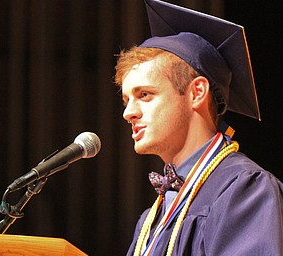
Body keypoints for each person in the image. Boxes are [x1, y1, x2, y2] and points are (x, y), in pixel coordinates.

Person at [114, 0, 283, 255]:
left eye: (145, 95)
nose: (128, 113)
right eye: (127, 100)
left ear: (197, 92)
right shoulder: (152, 218)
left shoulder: (243, 189)